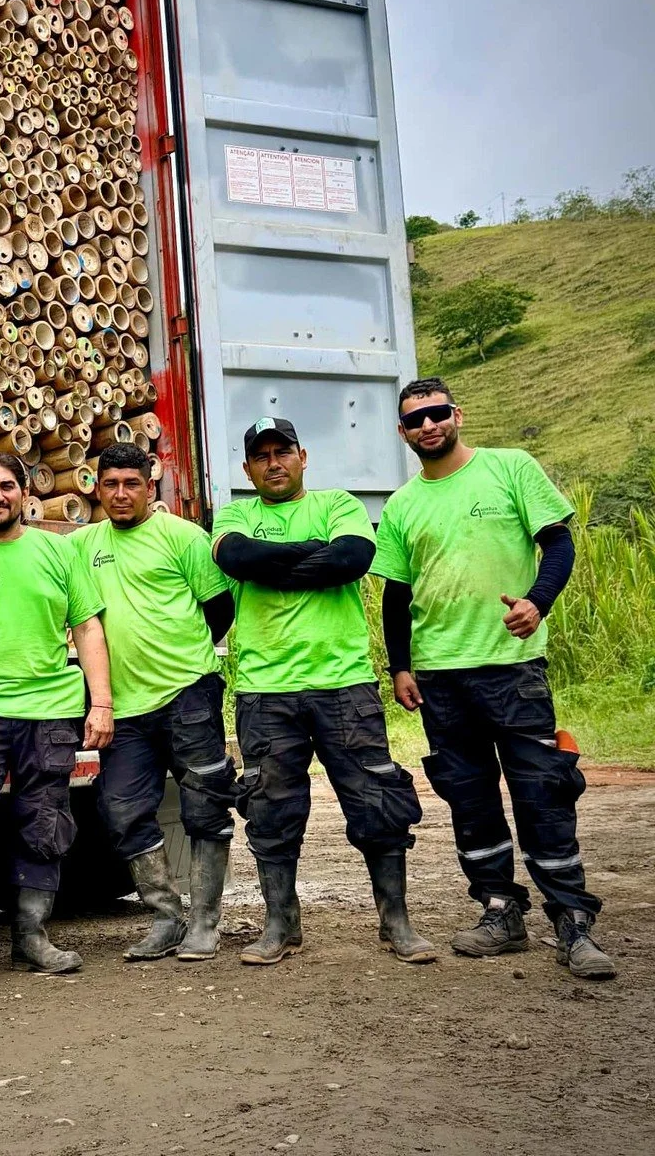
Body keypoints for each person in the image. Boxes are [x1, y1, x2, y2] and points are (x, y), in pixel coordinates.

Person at [374, 378, 614, 979]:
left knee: (543, 790)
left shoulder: (510, 468)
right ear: (402, 433)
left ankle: (572, 921)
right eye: (414, 420)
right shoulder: (403, 505)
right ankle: (499, 910)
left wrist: (538, 601)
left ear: (457, 414)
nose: (427, 426)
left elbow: (557, 546)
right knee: (468, 795)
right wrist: (400, 665)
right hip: (439, 676)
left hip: (512, 669)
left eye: (435, 413)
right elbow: (397, 595)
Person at [212, 417, 433, 966]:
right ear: (247, 468)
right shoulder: (235, 515)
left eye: (282, 451)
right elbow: (237, 558)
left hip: (344, 685)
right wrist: (311, 556)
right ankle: (280, 926)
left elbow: (352, 559)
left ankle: (396, 922)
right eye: (260, 456)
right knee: (269, 808)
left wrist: (275, 565)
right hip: (265, 690)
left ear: (302, 455)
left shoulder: (339, 504)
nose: (273, 463)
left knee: (377, 802)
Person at [0, 452, 114, 995]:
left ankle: (31, 940)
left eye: (6, 486)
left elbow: (88, 630)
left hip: (50, 714)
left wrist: (99, 703)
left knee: (45, 823)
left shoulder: (58, 551)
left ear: (24, 491)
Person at [71, 444, 237, 961]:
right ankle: (167, 916)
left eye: (132, 484)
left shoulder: (184, 537)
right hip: (121, 706)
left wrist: (180, 659)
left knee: (204, 803)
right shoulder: (80, 545)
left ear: (151, 486)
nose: (121, 494)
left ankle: (205, 922)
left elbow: (219, 610)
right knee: (120, 809)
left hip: (188, 692)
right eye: (111, 485)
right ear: (96, 488)